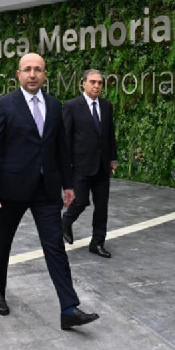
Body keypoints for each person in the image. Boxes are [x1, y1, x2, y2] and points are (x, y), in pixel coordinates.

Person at [0, 52, 99, 330]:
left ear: (45, 74)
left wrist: (68, 184)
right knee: (2, 242)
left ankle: (68, 308)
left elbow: (61, 148)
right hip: (11, 189)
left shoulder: (55, 106)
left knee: (55, 246)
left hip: (46, 190)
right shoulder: (3, 105)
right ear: (18, 74)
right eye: (27, 69)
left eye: (38, 70)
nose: (32, 74)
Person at [62, 69, 118, 258]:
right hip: (80, 165)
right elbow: (66, 138)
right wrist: (66, 165)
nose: (96, 86)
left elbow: (109, 134)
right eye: (93, 82)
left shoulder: (106, 106)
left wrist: (113, 158)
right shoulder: (71, 106)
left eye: (100, 83)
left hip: (102, 166)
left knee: (102, 207)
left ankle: (97, 243)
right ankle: (65, 222)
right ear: (83, 83)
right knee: (80, 201)